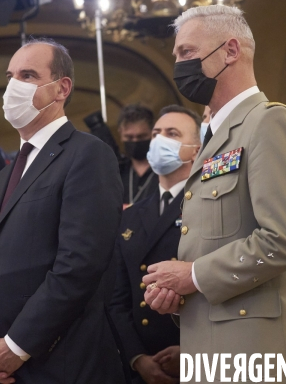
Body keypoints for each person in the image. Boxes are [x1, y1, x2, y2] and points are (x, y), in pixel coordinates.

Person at [142, 5, 286, 380]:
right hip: (211, 350)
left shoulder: (269, 122)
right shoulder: (215, 139)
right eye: (176, 55)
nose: (178, 65)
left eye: (187, 52)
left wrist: (194, 276)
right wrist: (178, 295)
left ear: (231, 51)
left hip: (260, 352)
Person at [0, 38, 125, 383]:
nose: (12, 87)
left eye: (28, 75)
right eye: (10, 76)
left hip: (59, 363)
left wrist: (16, 346)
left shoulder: (86, 155)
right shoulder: (5, 175)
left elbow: (79, 265)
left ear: (60, 88)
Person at [110, 105, 201, 384]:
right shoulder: (130, 214)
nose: (160, 140)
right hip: (141, 366)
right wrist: (137, 358)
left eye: (172, 134)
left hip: (196, 355)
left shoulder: (208, 206)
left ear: (195, 149)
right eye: (156, 133)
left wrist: (193, 353)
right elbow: (117, 297)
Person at [118, 104, 160, 206]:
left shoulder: (164, 169)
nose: (135, 141)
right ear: (120, 134)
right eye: (129, 137)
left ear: (153, 133)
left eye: (141, 137)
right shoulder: (117, 171)